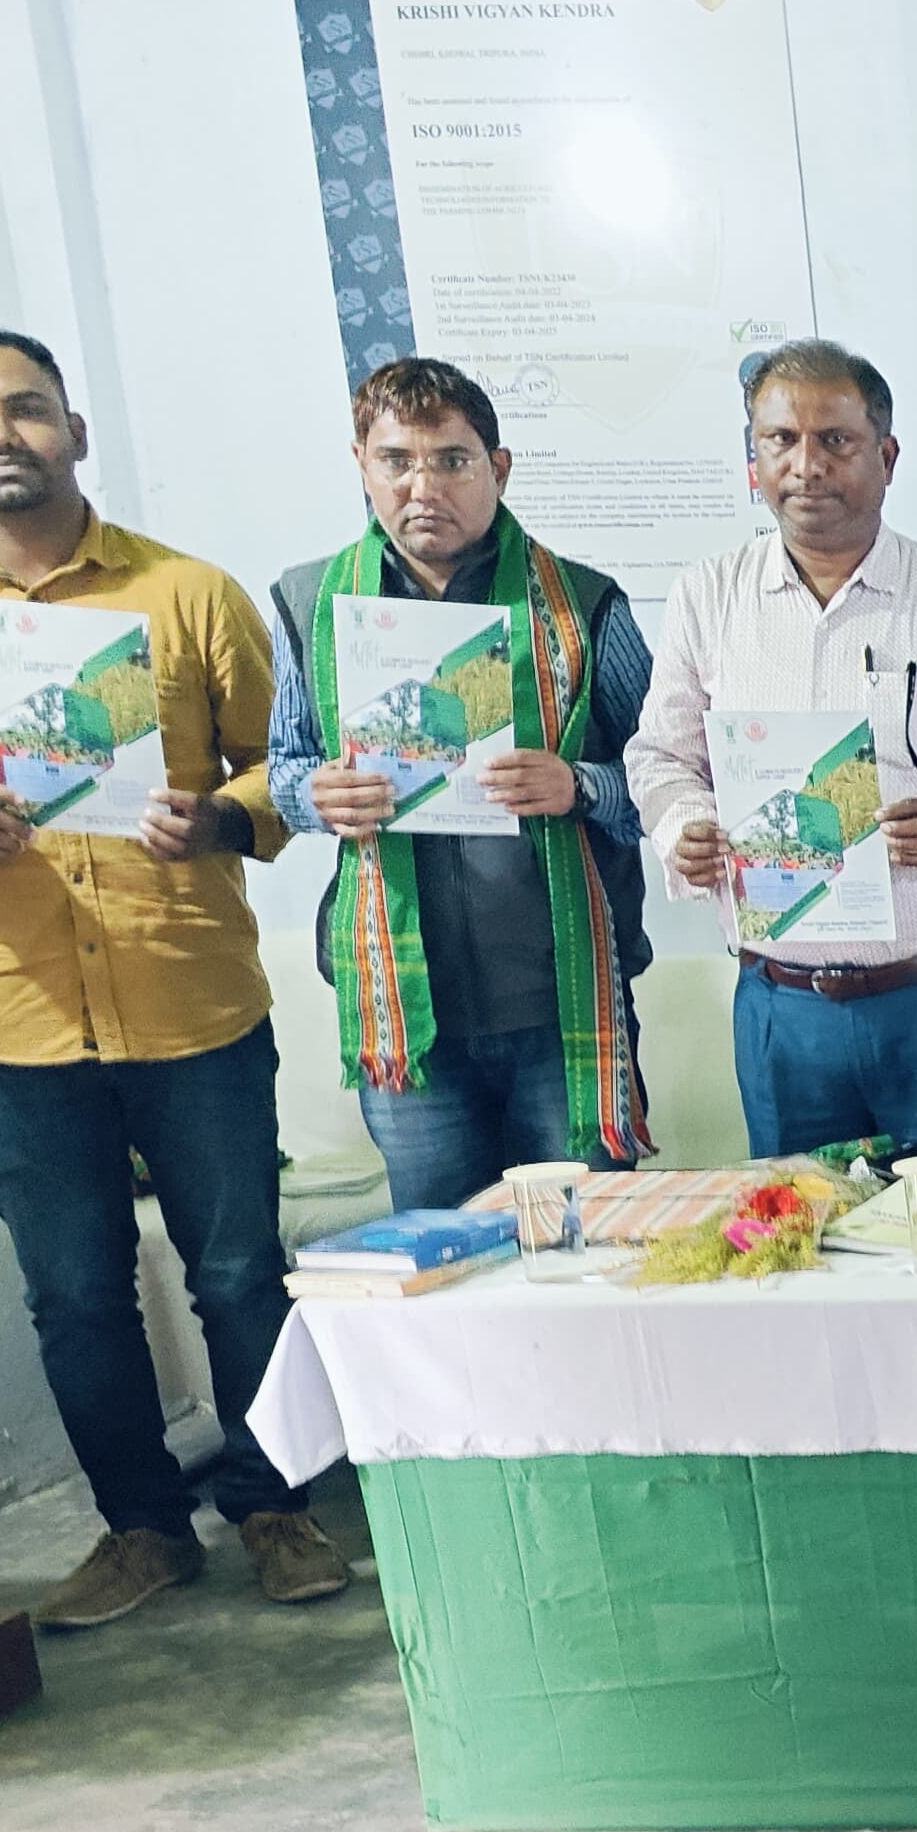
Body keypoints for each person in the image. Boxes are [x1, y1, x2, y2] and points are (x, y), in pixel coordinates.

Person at [0, 327, 345, 1628]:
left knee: (239, 1275)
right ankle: (142, 1529)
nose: (1, 432)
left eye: (26, 407)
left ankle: (275, 1505)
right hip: (0, 1013)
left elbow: (281, 765)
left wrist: (217, 818)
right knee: (75, 1296)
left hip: (188, 1000)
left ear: (75, 430)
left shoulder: (190, 594)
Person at [629, 340, 917, 1158]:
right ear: (754, 458)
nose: (807, 466)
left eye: (835, 440)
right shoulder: (708, 598)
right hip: (781, 1010)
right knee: (802, 1231)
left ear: (887, 456)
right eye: (781, 440)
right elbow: (661, 756)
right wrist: (683, 827)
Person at [263, 355, 653, 1212]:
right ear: (362, 466)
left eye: (452, 460)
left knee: (587, 1246)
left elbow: (669, 781)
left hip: (563, 1004)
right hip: (408, 1015)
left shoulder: (584, 604)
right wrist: (314, 796)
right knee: (443, 1260)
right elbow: (282, 769)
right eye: (396, 461)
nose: (423, 486)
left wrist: (580, 785)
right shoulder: (310, 604)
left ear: (497, 468)